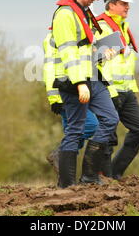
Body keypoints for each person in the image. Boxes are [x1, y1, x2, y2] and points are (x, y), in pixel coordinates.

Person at [51, 0, 119, 188]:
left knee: (110, 118)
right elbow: (69, 53)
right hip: (72, 81)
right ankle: (66, 185)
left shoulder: (83, 12)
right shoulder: (65, 14)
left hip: (91, 76)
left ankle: (89, 175)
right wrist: (80, 83)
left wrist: (102, 54)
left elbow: (84, 49)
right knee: (75, 129)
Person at [95, 0, 139, 179]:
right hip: (108, 90)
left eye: (128, 4)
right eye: (124, 3)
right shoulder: (100, 25)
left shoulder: (124, 27)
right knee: (109, 137)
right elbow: (93, 56)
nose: (128, 7)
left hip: (126, 89)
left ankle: (114, 174)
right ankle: (104, 178)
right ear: (112, 4)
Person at [43, 30, 99, 173]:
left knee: (72, 133)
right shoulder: (54, 37)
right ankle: (59, 155)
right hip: (65, 91)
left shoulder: (76, 35)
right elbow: (49, 68)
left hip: (75, 89)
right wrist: (54, 97)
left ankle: (65, 178)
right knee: (90, 125)